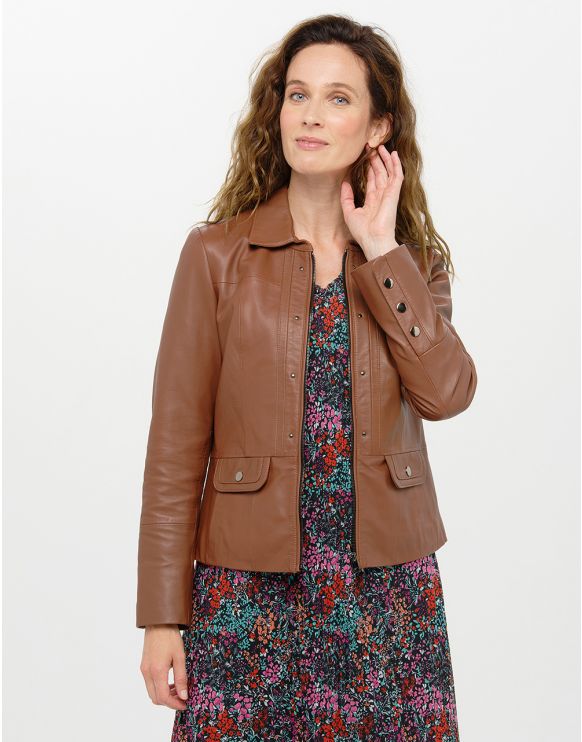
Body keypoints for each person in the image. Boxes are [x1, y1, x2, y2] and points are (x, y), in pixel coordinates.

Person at [137, 13, 477, 740]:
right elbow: (174, 449)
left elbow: (447, 394)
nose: (311, 115)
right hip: (245, 592)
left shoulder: (411, 265)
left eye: (337, 98)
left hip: (385, 594)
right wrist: (162, 617)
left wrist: (381, 250)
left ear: (379, 127)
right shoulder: (216, 256)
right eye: (298, 95)